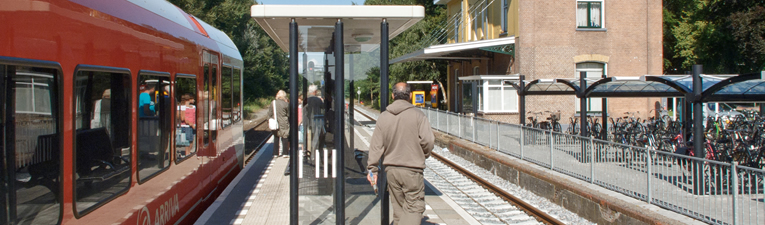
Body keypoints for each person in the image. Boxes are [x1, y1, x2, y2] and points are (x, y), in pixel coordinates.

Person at [367, 82, 435, 225]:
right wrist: (423, 154)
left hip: (391, 171)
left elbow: (375, 146)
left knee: (399, 211)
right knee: (415, 208)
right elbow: (428, 141)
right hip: (412, 169)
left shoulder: (384, 117)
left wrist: (372, 170)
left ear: (393, 96)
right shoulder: (418, 115)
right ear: (410, 96)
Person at [268, 90, 290, 158]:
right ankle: (285, 153)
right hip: (284, 122)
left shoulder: (273, 103)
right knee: (285, 137)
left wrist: (269, 120)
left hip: (275, 122)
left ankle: (275, 153)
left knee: (276, 137)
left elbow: (269, 113)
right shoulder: (286, 104)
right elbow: (288, 114)